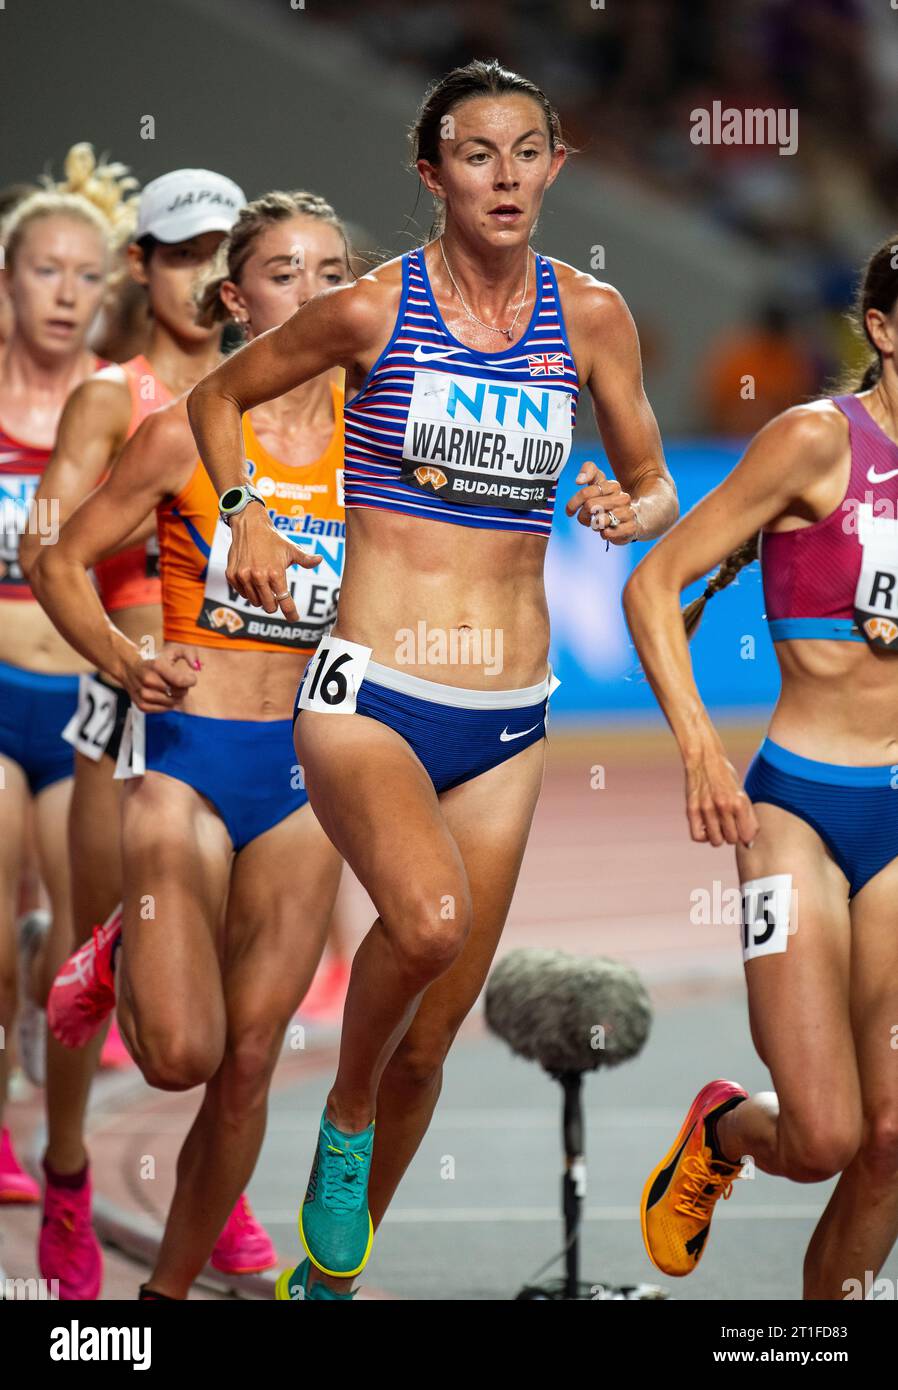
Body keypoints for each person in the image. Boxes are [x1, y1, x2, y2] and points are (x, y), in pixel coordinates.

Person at [186, 58, 677, 1299]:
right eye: (476, 154)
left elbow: (659, 480)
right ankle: (341, 1118)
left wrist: (632, 503)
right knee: (428, 923)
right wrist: (242, 508)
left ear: (556, 168)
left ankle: (325, 1282)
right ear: (431, 174)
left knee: (434, 1043)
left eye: (527, 152)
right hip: (371, 690)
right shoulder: (369, 311)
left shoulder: (594, 317)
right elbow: (219, 394)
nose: (504, 176)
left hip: (509, 716)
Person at [32, 190, 353, 1300]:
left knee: (253, 1062)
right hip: (190, 758)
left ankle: (166, 1298)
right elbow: (58, 562)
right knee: (179, 1057)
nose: (311, 293)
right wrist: (126, 666)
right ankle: (116, 949)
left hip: (307, 776)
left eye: (330, 272)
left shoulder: (381, 434)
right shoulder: (179, 431)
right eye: (282, 273)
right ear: (235, 296)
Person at [625, 234, 898, 1299]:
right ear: (880, 327)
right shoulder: (813, 443)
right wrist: (700, 749)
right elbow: (654, 587)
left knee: (888, 1138)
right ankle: (724, 1130)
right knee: (824, 1132)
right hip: (801, 806)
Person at [20, 164, 250, 1300]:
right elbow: (41, 550)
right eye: (182, 254)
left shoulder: (278, 389)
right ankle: (67, 1175)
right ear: (145, 270)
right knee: (87, 953)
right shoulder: (114, 397)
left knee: (239, 961)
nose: (206, 274)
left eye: (224, 251)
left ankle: (227, 1186)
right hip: (129, 700)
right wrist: (120, 660)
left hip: (253, 705)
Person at [0, 163, 125, 1206]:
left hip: (83, 703)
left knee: (84, 951)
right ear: (8, 283)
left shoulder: (121, 406)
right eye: (44, 270)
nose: (65, 292)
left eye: (86, 275)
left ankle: (57, 1099)